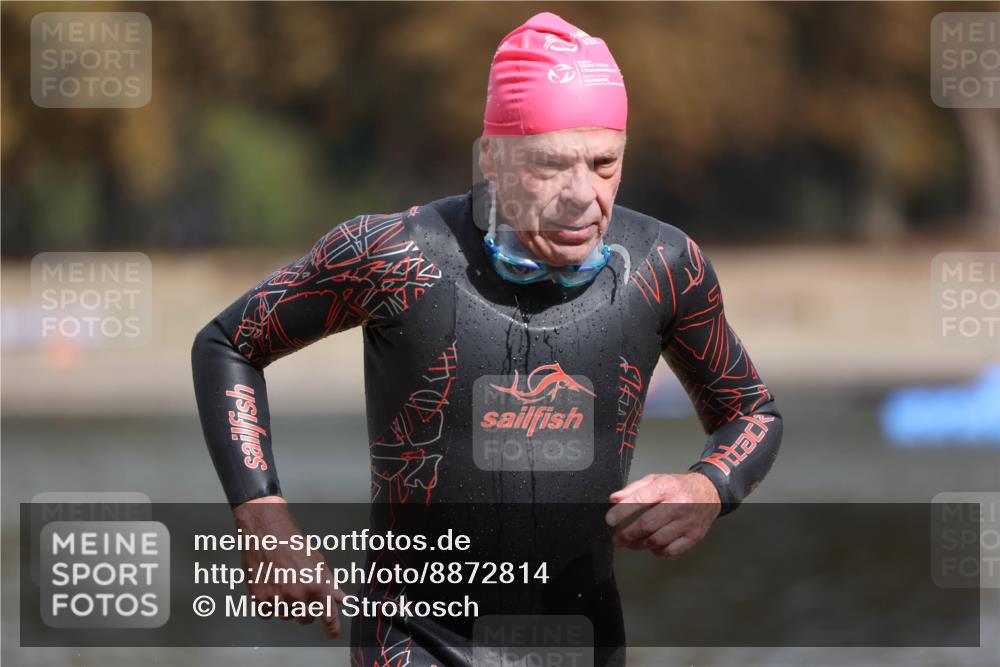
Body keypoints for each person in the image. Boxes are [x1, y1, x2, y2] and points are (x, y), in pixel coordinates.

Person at [192, 11, 783, 667]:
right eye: (551, 165)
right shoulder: (395, 256)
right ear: (491, 161)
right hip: (414, 644)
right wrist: (263, 516)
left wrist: (708, 488)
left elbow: (751, 412)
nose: (582, 195)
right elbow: (230, 344)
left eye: (604, 163)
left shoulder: (664, 266)